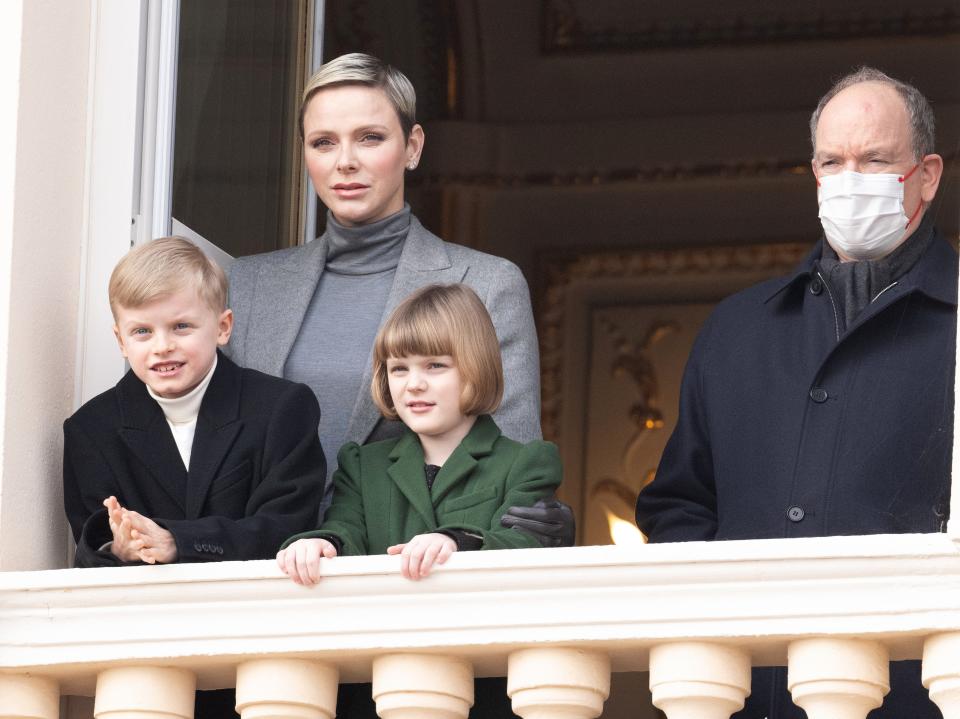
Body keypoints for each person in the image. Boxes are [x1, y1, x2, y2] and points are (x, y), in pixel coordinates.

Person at [636, 67, 952, 718]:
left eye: (875, 159)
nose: (850, 177)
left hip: (915, 698)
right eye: (832, 161)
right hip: (745, 696)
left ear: (927, 174)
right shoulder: (737, 328)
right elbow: (678, 507)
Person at [225, 53, 572, 547]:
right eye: (324, 142)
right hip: (262, 571)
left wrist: (529, 526)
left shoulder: (488, 282)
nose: (345, 161)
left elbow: (509, 458)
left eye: (370, 137)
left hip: (411, 573)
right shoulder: (248, 283)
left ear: (412, 146)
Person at [62, 237, 327, 716]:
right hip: (146, 660)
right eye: (141, 331)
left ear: (222, 327)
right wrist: (117, 547)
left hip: (264, 650)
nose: (162, 346)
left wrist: (177, 541)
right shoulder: (90, 429)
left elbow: (288, 525)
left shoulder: (280, 407)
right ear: (120, 340)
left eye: (181, 326)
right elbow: (88, 536)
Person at [278, 283, 562, 719]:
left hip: (483, 692)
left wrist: (458, 540)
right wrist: (320, 543)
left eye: (435, 365)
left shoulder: (526, 461)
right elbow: (346, 528)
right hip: (380, 689)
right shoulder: (363, 463)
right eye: (398, 369)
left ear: (477, 368)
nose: (414, 384)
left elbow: (527, 545)